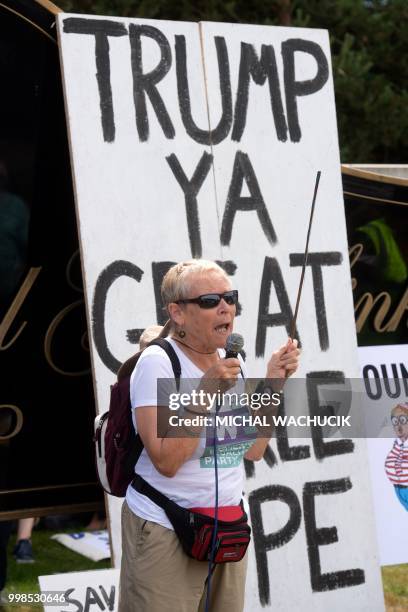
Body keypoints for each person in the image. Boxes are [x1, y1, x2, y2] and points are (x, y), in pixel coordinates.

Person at [119, 260, 300, 612]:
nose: (225, 307)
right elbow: (167, 461)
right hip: (163, 528)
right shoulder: (157, 362)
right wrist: (206, 392)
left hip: (226, 527)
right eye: (210, 300)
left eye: (230, 297)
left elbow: (253, 449)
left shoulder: (232, 360)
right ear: (178, 313)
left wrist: (275, 380)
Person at [384, 402, 408, 511]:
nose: (398, 427)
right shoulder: (398, 445)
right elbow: (390, 466)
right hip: (399, 491)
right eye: (395, 421)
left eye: (403, 420)